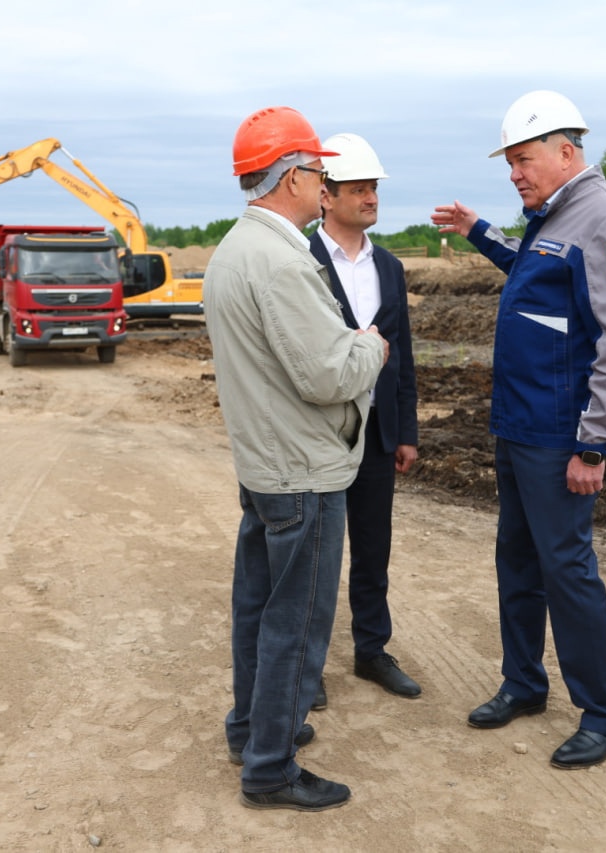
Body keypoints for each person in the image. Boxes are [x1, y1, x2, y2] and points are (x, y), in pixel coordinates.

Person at [431, 90, 606, 770]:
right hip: (518, 422)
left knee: (567, 569)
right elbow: (531, 269)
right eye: (511, 163)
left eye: (524, 160)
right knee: (518, 560)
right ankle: (524, 682)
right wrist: (477, 230)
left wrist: (595, 441)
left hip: (562, 433)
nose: (516, 173)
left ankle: (603, 714)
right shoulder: (550, 215)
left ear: (566, 150)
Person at [204, 106, 388, 811]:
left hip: (264, 464)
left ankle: (252, 727)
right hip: (303, 471)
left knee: (257, 606)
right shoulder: (283, 260)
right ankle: (271, 767)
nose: (325, 183)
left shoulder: (232, 250)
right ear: (290, 178)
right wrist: (371, 345)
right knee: (298, 620)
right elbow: (327, 375)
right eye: (318, 171)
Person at [307, 133, 420, 707]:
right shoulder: (300, 262)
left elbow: (400, 353)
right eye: (357, 187)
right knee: (317, 551)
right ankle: (307, 665)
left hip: (377, 437)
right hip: (320, 435)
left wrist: (406, 433)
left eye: (373, 186)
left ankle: (372, 650)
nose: (370, 196)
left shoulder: (391, 267)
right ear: (325, 196)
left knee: (373, 548)